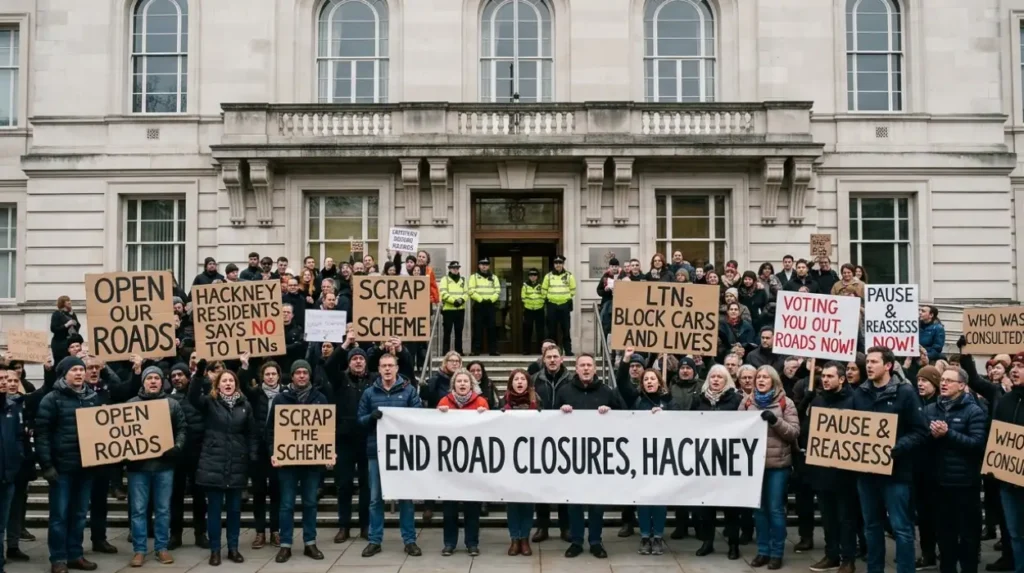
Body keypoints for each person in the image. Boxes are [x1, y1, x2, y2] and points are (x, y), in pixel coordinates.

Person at [852, 346, 929, 573]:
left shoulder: (905, 392)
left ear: (888, 366)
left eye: (874, 362)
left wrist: (897, 448)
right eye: (868, 361)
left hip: (897, 474)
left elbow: (920, 431)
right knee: (872, 526)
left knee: (901, 528)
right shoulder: (859, 394)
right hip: (866, 474)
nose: (868, 365)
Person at [36, 355, 107, 573]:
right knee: (59, 515)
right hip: (61, 469)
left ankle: (75, 554)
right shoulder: (51, 399)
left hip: (85, 468)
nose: (79, 373)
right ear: (64, 374)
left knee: (78, 515)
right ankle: (58, 558)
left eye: (81, 369)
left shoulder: (93, 398)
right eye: (74, 370)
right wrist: (47, 464)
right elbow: (42, 434)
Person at [554, 354, 624, 559]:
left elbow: (624, 418)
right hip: (572, 457)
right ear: (576, 369)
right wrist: (560, 411)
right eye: (582, 365)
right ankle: (576, 540)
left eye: (589, 365)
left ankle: (595, 540)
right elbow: (550, 419)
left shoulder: (606, 392)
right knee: (574, 502)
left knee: (596, 502)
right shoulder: (564, 391)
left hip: (598, 458)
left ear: (595, 369)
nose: (585, 369)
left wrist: (610, 411)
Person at [189, 360, 258, 566]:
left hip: (237, 463)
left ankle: (233, 548)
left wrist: (252, 455)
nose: (227, 383)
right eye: (224, 380)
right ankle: (215, 550)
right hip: (214, 463)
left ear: (236, 384)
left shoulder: (245, 405)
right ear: (217, 384)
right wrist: (199, 374)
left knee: (235, 511)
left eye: (231, 381)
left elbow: (252, 433)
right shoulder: (210, 402)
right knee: (214, 511)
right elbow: (192, 397)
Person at [357, 352, 422, 558]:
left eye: (390, 365)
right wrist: (370, 418)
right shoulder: (369, 393)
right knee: (375, 499)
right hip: (376, 451)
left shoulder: (409, 391)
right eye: (383, 365)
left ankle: (409, 540)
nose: (387, 369)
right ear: (379, 368)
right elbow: (360, 420)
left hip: (402, 453)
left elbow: (419, 417)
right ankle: (375, 540)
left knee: (405, 498)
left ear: (396, 368)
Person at [921, 367, 986, 573]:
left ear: (962, 386)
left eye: (950, 380)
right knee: (945, 535)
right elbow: (920, 440)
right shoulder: (930, 410)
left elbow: (977, 444)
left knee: (968, 537)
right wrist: (929, 436)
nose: (944, 383)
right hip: (939, 483)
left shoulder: (974, 411)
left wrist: (948, 434)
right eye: (943, 380)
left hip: (965, 484)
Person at [267, 360, 332, 562]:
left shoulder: (320, 398)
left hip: (312, 464)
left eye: (305, 372)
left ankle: (309, 543)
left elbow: (328, 430)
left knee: (310, 503)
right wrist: (273, 453)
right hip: (287, 463)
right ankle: (285, 544)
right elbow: (270, 432)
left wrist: (330, 453)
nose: (302, 375)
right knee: (286, 504)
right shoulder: (280, 399)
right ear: (292, 376)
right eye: (298, 372)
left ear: (309, 375)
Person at [126, 366, 187, 567]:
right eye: (149, 378)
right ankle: (139, 550)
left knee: (163, 509)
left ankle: (162, 547)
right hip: (138, 468)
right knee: (138, 510)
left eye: (156, 378)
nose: (153, 381)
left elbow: (181, 428)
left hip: (164, 467)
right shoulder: (131, 405)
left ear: (162, 382)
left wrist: (177, 447)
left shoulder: (171, 404)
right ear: (143, 382)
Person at [739, 366, 799, 570]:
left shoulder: (785, 402)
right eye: (758, 377)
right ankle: (762, 551)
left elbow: (793, 433)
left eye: (765, 377)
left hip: (778, 465)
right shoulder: (747, 402)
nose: (761, 380)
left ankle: (777, 552)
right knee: (760, 510)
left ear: (773, 381)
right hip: (754, 465)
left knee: (775, 509)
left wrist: (775, 421)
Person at [803, 362, 858, 573]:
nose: (825, 380)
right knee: (828, 517)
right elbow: (808, 431)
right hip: (821, 471)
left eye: (830, 376)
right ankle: (831, 554)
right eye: (823, 376)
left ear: (842, 379)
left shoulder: (854, 401)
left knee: (846, 518)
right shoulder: (818, 400)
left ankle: (848, 558)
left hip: (845, 473)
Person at [691, 364, 743, 559]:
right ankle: (708, 541)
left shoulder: (736, 400)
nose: (715, 380)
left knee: (731, 507)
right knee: (707, 506)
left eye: (720, 377)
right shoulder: (699, 400)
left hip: (729, 460)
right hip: (705, 461)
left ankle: (733, 544)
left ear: (726, 380)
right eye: (712, 376)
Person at [437, 370, 489, 556]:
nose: (462, 384)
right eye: (458, 381)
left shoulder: (481, 402)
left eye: (465, 381)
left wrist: (485, 415)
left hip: (472, 464)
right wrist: (438, 415)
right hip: (450, 464)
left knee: (472, 507)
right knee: (449, 507)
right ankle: (449, 543)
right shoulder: (444, 402)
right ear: (453, 385)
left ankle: (472, 543)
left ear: (471, 384)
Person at [628, 369, 677, 557]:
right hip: (641, 456)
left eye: (653, 379)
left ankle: (658, 536)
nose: (649, 382)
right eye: (646, 379)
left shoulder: (669, 401)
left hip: (663, 456)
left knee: (659, 499)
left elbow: (680, 421)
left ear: (659, 382)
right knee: (643, 499)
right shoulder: (638, 401)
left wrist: (665, 414)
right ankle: (645, 535)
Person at [530, 344, 572, 542]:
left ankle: (565, 527)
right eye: (549, 357)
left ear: (562, 359)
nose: (553, 360)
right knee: (542, 485)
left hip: (566, 439)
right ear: (543, 359)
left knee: (564, 485)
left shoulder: (572, 379)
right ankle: (542, 527)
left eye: (556, 356)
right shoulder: (535, 379)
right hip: (541, 438)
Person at [239, 358, 282, 549]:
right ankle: (259, 533)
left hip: (279, 450)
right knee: (258, 493)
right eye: (267, 374)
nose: (271, 377)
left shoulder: (286, 395)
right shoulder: (255, 394)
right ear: (262, 377)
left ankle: (275, 531)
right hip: (258, 450)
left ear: (279, 376)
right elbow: (243, 385)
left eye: (274, 374)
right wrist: (244, 366)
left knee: (276, 492)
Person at [166, 363, 208, 550]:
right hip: (176, 455)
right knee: (176, 497)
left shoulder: (197, 397)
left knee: (200, 496)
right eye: (174, 375)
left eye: (180, 375)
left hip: (197, 452)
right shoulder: (167, 399)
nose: (177, 378)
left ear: (188, 377)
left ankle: (200, 534)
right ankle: (175, 535)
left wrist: (199, 373)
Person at [500, 369, 540, 557]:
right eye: (516, 379)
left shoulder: (537, 400)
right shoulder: (503, 402)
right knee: (513, 502)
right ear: (511, 383)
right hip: (509, 458)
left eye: (522, 379)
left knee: (527, 501)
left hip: (531, 458)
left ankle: (525, 538)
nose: (519, 382)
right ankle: (514, 538)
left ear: (528, 382)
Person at [0, 366, 24, 573]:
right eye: (0, 378)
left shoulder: (12, 407)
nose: (4, 381)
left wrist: (16, 460)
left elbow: (17, 437)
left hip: (7, 475)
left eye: (5, 378)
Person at [543, 256, 576, 356]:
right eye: (556, 263)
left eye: (560, 263)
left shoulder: (569, 276)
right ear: (554, 264)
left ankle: (568, 350)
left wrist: (566, 298)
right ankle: (551, 351)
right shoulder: (548, 276)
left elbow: (573, 289)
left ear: (563, 264)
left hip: (564, 305)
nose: (558, 265)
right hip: (552, 305)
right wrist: (548, 299)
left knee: (566, 329)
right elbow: (544, 290)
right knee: (551, 330)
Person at [468, 259, 500, 356]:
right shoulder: (474, 277)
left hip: (490, 305)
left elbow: (497, 291)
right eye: (482, 264)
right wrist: (481, 299)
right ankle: (476, 350)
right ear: (479, 266)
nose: (484, 266)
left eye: (486, 265)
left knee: (492, 328)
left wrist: (491, 300)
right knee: (478, 328)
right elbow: (471, 291)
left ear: (489, 266)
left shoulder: (494, 277)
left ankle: (493, 350)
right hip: (479, 305)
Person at [438, 261, 467, 355]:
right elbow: (443, 292)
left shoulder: (463, 279)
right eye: (454, 268)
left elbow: (466, 292)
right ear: (449, 269)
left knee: (459, 332)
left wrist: (461, 300)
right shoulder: (444, 279)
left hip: (460, 309)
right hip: (448, 310)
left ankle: (459, 351)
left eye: (457, 268)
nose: (456, 269)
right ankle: (446, 352)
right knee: (447, 332)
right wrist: (453, 301)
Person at [521, 268, 546, 355]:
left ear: (537, 276)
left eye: (534, 275)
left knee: (540, 331)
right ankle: (526, 350)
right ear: (529, 276)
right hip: (529, 310)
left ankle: (541, 350)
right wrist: (529, 304)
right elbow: (523, 297)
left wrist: (540, 303)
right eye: (531, 275)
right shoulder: (525, 285)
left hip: (539, 309)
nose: (533, 277)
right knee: (527, 331)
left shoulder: (541, 285)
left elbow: (544, 296)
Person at [49, 296, 80, 364]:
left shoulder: (72, 314)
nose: (69, 302)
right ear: (62, 303)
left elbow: (78, 326)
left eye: (69, 300)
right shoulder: (57, 314)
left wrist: (74, 322)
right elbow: (53, 328)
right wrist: (66, 325)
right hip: (59, 343)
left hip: (70, 343)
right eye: (67, 300)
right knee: (60, 363)